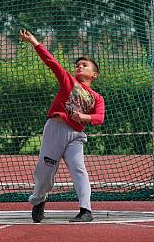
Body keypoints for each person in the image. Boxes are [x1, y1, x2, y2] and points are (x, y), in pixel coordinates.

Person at [19, 29, 105, 223]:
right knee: (44, 171)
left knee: (79, 169)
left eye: (84, 65)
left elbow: (99, 118)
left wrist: (84, 116)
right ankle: (39, 199)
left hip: (76, 135)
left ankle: (86, 210)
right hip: (55, 129)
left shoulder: (97, 98)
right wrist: (34, 42)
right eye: (77, 65)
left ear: (94, 74)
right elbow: (52, 62)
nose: (79, 67)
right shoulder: (69, 81)